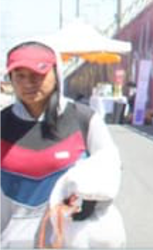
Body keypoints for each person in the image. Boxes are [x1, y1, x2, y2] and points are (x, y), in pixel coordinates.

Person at [0, 41, 125, 247]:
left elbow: (111, 166)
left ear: (56, 74)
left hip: (70, 242)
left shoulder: (84, 119)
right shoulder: (2, 124)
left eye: (37, 74)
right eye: (19, 76)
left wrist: (93, 198)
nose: (28, 83)